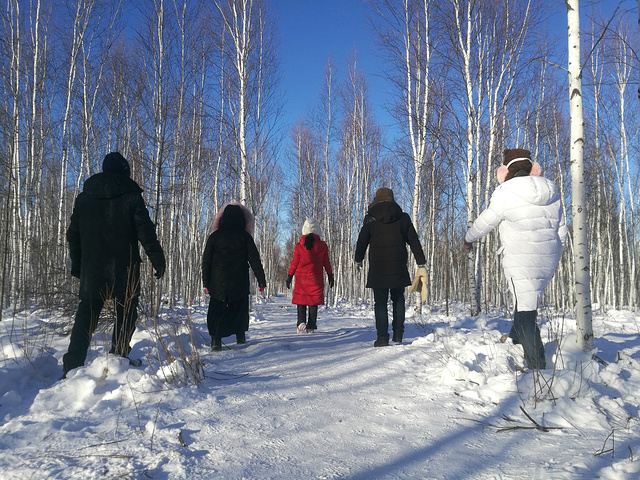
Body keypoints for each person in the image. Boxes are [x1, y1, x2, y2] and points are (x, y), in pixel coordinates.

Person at [63, 152, 166, 377]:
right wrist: (158, 259)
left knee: (86, 314)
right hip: (125, 268)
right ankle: (119, 357)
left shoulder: (84, 198)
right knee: (126, 310)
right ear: (125, 172)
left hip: (93, 268)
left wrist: (78, 265)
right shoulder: (131, 196)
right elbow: (145, 232)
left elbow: (73, 234)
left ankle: (72, 366)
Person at [465, 148, 567, 370]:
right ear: (531, 168)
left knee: (527, 312)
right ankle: (516, 338)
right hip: (548, 256)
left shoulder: (505, 191)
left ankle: (537, 366)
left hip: (521, 257)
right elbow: (561, 229)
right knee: (525, 299)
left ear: (506, 171)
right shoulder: (552, 189)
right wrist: (555, 254)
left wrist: (469, 237)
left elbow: (487, 220)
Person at [355, 187, 427, 347]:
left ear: (377, 199)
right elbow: (414, 241)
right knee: (398, 299)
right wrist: (421, 262)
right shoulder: (403, 217)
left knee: (380, 302)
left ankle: (382, 338)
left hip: (378, 267)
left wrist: (358, 260)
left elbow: (362, 242)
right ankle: (398, 335)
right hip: (398, 265)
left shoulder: (370, 218)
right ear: (392, 199)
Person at [202, 203, 266, 351]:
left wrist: (206, 281)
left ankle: (216, 340)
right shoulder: (245, 237)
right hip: (239, 280)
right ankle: (240, 336)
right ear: (242, 219)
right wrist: (261, 280)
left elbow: (206, 261)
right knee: (239, 307)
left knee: (217, 308)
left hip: (218, 281)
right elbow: (255, 260)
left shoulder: (214, 236)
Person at [286, 218, 334, 333]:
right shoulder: (322, 246)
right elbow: (326, 262)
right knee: (313, 303)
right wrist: (330, 275)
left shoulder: (299, 246)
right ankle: (311, 325)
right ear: (318, 230)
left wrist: (289, 276)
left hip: (302, 279)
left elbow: (294, 263)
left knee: (301, 301)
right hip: (315, 279)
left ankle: (301, 322)